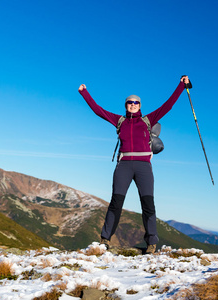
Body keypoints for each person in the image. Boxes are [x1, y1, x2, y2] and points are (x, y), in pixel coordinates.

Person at [78, 76, 190, 254]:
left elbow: (168, 105)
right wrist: (84, 93)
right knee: (116, 202)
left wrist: (181, 86)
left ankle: (152, 243)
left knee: (148, 204)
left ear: (140, 105)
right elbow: (98, 110)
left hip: (143, 166)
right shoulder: (120, 121)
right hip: (124, 165)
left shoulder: (147, 120)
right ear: (126, 105)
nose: (133, 104)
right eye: (130, 102)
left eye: (136, 102)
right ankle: (105, 240)